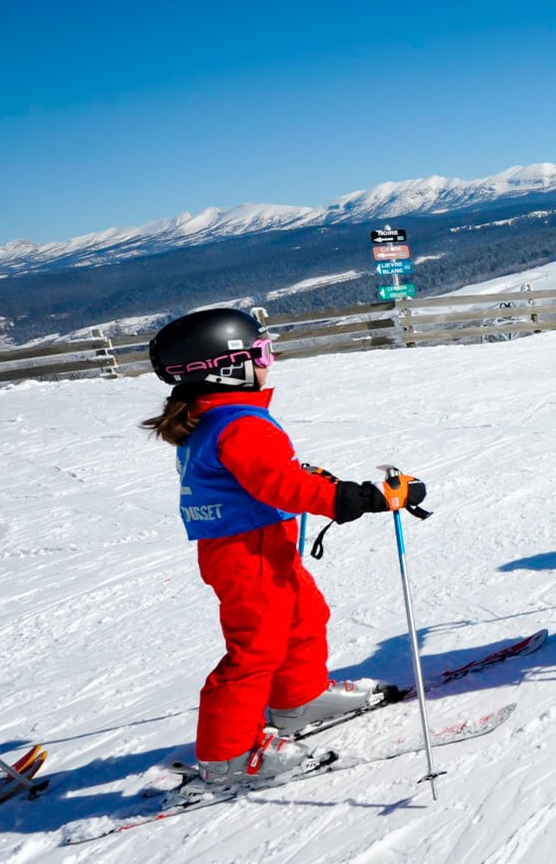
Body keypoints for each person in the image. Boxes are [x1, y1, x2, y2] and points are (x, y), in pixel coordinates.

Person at [142, 308, 427, 785]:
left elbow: (260, 476)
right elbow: (279, 486)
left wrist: (308, 476)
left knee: (303, 616)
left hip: (254, 543)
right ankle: (228, 756)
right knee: (255, 650)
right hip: (244, 552)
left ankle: (299, 698)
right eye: (261, 352)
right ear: (225, 367)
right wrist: (362, 497)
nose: (268, 361)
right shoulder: (240, 424)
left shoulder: (214, 417)